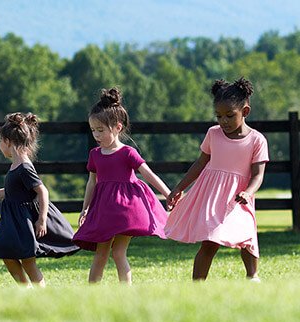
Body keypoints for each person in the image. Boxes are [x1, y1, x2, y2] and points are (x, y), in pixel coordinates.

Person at [165, 77, 268, 282]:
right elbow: (199, 164)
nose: (223, 121)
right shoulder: (213, 134)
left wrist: (248, 192)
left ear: (245, 112)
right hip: (212, 198)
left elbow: (258, 174)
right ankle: (197, 285)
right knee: (210, 241)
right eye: (219, 116)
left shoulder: (257, 140)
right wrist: (179, 187)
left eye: (230, 115)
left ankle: (252, 277)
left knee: (246, 235)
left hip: (239, 199)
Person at [73, 87, 171, 284]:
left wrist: (169, 193)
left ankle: (125, 291)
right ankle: (91, 292)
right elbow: (92, 183)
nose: (96, 135)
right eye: (93, 130)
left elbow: (148, 174)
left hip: (127, 210)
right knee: (101, 254)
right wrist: (85, 208)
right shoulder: (95, 154)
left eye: (100, 130)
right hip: (104, 210)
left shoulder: (128, 153)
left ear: (117, 127)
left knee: (118, 253)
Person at [0, 113, 80, 288]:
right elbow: (11, 192)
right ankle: (25, 290)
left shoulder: (25, 167)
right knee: (6, 253)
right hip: (12, 220)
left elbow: (42, 191)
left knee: (28, 261)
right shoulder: (15, 166)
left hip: (23, 222)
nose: (0, 146)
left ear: (9, 142)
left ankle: (40, 293)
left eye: (0, 141)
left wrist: (41, 220)